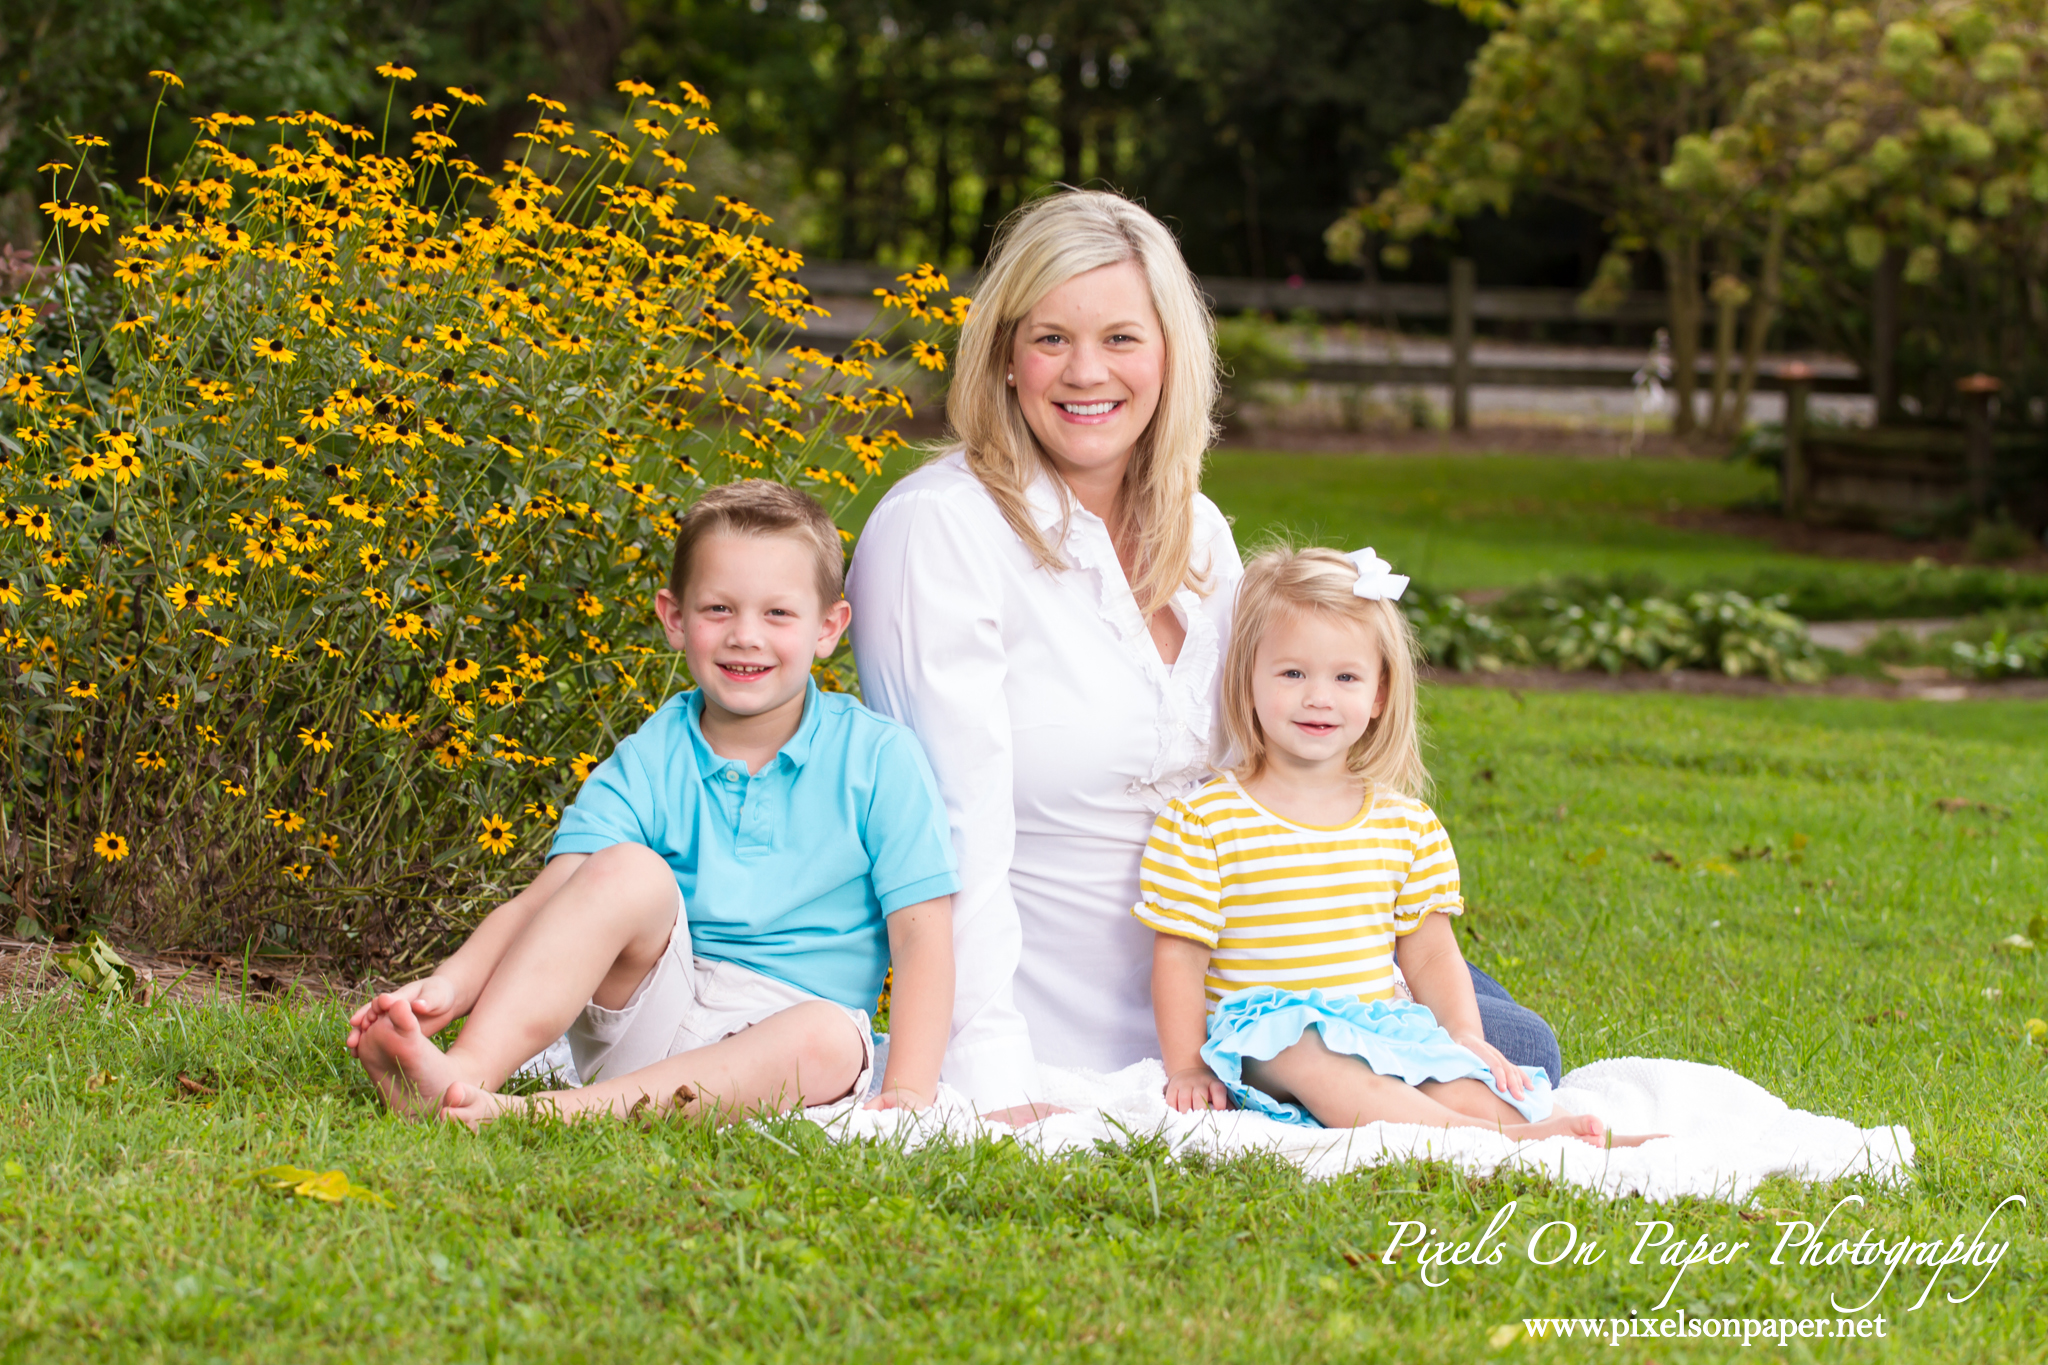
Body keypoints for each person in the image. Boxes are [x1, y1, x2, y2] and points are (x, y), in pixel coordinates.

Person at [846, 188, 1560, 1121]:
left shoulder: (1198, 531)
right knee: (1497, 1062)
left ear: (1171, 355)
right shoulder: (937, 531)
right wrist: (990, 1078)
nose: (1085, 370)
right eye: (1051, 337)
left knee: (1515, 1041)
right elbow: (949, 837)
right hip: (1085, 1011)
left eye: (1121, 338)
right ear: (1005, 357)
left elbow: (1273, 754)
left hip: (1264, 960)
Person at [347, 481, 958, 1126]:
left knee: (832, 1036)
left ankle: (547, 1115)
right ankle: (463, 1079)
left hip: (783, 1047)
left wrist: (910, 1093)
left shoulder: (879, 759)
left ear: (828, 627)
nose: (745, 636)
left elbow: (922, 939)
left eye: (778, 614)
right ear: (674, 617)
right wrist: (449, 985)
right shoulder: (649, 758)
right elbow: (544, 901)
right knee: (621, 870)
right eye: (719, 608)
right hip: (653, 1007)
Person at [1136, 546, 1626, 1142]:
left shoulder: (1405, 825)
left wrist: (1463, 1035)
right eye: (1292, 673)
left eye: (1346, 677)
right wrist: (1187, 1063)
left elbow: (1430, 954)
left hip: (1373, 1024)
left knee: (1457, 1078)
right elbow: (1181, 956)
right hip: (1263, 1038)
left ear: (1378, 695)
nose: (1319, 696)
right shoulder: (1206, 820)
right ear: (1249, 679)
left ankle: (1557, 1131)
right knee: (1310, 1050)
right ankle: (1481, 1140)